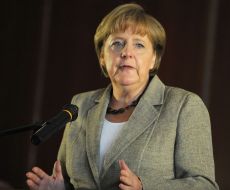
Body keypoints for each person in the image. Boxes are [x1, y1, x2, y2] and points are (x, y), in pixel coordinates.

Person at [26, 3, 219, 190]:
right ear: (102, 56)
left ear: (154, 59)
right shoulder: (80, 105)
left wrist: (144, 187)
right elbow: (68, 179)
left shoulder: (183, 106)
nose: (127, 53)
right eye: (117, 43)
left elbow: (205, 185)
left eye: (139, 45)